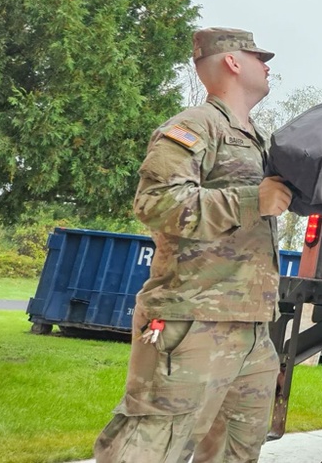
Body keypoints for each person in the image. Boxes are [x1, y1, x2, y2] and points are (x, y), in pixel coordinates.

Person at [94, 28, 292, 463]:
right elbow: (155, 203)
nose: (267, 64)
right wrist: (250, 200)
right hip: (193, 323)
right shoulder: (193, 126)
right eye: (258, 56)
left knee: (234, 454)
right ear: (233, 63)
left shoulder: (256, 139)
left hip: (252, 329)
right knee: (151, 449)